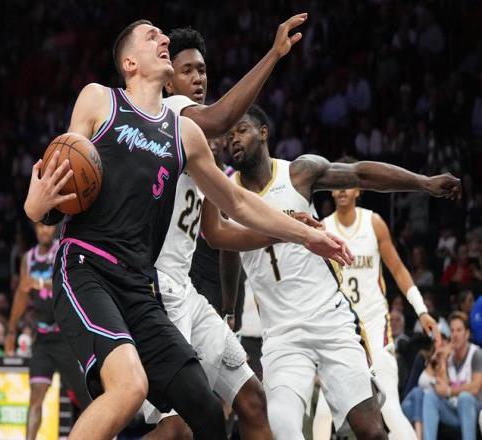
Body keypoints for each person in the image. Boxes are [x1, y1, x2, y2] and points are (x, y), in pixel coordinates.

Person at [23, 20, 349, 440]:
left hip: (140, 286)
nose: (163, 39)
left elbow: (236, 203)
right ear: (129, 62)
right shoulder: (100, 100)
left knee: (207, 413)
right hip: (86, 267)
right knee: (130, 386)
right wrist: (37, 206)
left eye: (163, 36)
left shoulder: (185, 133)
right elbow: (57, 185)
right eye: (151, 36)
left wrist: (307, 235)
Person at [200, 105, 461, 440]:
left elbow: (361, 174)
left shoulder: (299, 173)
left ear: (263, 133)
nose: (234, 139)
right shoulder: (226, 193)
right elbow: (228, 249)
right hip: (281, 335)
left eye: (242, 130)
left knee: (371, 431)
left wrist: (423, 182)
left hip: (330, 320)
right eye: (230, 134)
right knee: (282, 428)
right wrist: (229, 308)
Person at [143, 19, 311, 439]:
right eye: (187, 70)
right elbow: (220, 118)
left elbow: (217, 233)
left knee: (254, 402)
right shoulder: (169, 113)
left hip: (185, 291)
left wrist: (284, 230)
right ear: (168, 81)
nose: (198, 78)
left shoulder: (205, 153)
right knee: (177, 430)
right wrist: (274, 55)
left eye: (202, 70)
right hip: (154, 291)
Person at [314, 157, 441, 440]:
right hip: (340, 328)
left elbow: (398, 269)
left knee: (390, 410)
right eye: (337, 184)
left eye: (347, 183)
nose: (342, 189)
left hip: (374, 325)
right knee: (324, 410)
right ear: (331, 190)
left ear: (358, 189)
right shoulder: (321, 228)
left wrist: (421, 310)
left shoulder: (374, 223)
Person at [4, 223, 90, 440]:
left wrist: (38, 282)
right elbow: (22, 294)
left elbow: (67, 281)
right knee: (36, 397)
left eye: (47, 227)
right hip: (43, 339)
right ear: (34, 229)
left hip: (67, 338)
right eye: (40, 227)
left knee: (86, 399)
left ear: (54, 229)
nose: (44, 231)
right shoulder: (28, 258)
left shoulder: (61, 250)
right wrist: (11, 331)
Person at [422, 311, 482, 440]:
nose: (455, 334)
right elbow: (442, 388)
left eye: (459, 330)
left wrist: (450, 391)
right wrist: (443, 359)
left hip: (474, 410)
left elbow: (475, 387)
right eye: (452, 330)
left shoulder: (476, 353)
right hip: (454, 410)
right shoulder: (450, 356)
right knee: (430, 396)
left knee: (465, 398)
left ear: (467, 334)